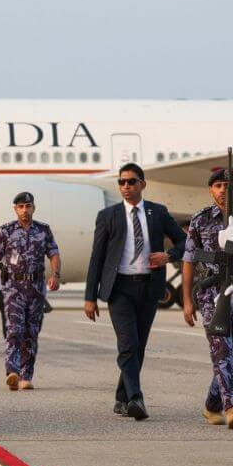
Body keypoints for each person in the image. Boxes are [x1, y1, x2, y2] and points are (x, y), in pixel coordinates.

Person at [83, 162, 186, 420]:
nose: (126, 186)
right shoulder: (108, 216)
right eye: (122, 182)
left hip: (149, 288)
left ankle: (121, 397)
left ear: (143, 184)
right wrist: (89, 297)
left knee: (138, 347)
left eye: (131, 182)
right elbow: (97, 258)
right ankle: (136, 398)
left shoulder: (158, 212)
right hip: (119, 289)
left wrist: (169, 255)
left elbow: (185, 242)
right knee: (128, 344)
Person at [180, 169, 233, 428]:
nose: (223, 190)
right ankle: (232, 405)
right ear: (211, 190)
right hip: (211, 293)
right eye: (218, 185)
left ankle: (212, 404)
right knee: (221, 349)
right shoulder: (200, 220)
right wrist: (187, 300)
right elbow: (189, 260)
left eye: (227, 185)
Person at [0, 192, 60, 390]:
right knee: (14, 330)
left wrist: (56, 275)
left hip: (36, 289)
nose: (24, 210)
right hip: (13, 289)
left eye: (28, 206)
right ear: (15, 209)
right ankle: (12, 372)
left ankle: (26, 376)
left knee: (31, 332)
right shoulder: (6, 231)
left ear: (33, 208)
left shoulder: (44, 231)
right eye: (20, 207)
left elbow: (53, 254)